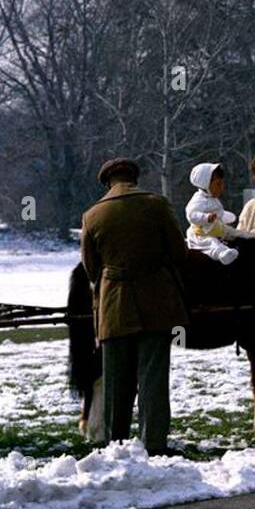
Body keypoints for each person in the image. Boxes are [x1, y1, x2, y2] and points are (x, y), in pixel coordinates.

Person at [79, 157, 190, 454]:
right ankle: (153, 443)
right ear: (134, 178)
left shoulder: (93, 215)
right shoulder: (157, 205)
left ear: (108, 182)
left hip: (114, 307)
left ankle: (115, 443)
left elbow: (91, 270)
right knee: (153, 377)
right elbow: (180, 253)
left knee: (116, 380)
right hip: (157, 302)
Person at [186, 162, 239, 265]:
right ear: (205, 184)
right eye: (218, 184)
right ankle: (223, 254)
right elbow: (191, 214)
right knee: (211, 243)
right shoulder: (199, 200)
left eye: (222, 184)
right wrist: (206, 218)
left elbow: (218, 212)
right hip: (202, 232)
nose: (221, 187)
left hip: (214, 229)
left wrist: (224, 216)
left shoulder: (212, 199)